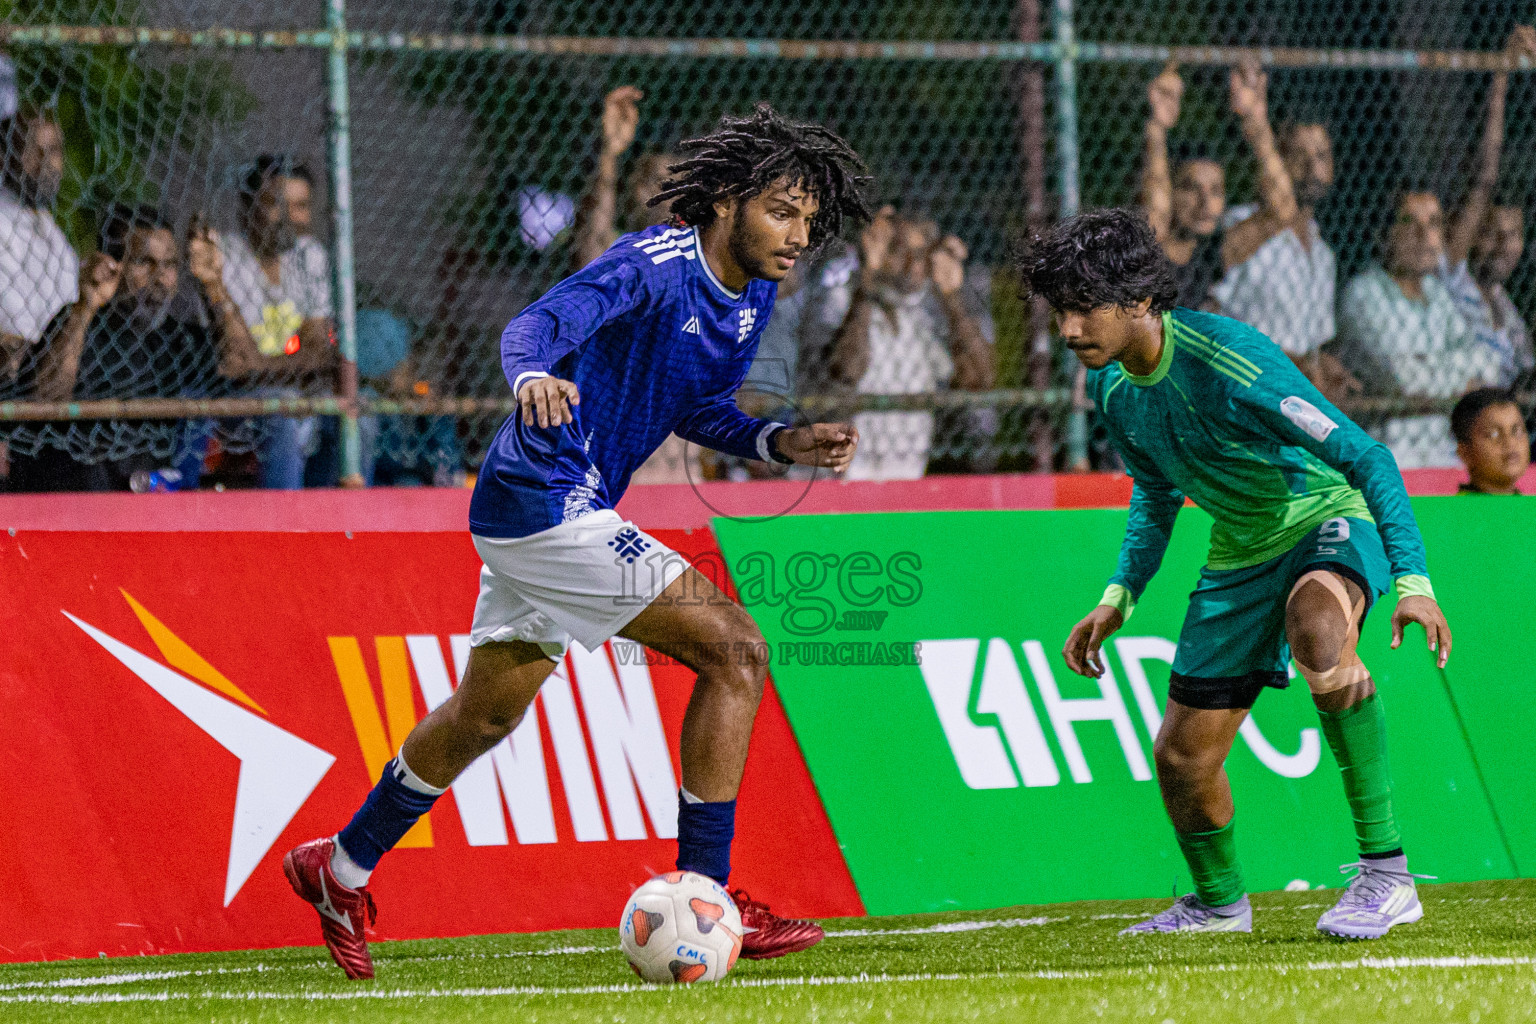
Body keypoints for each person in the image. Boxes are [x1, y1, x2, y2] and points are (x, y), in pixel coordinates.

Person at [282, 104, 872, 980]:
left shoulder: (753, 292)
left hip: (560, 505)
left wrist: (779, 441)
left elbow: (695, 408)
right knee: (738, 653)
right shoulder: (649, 264)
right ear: (723, 201)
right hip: (544, 498)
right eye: (782, 211)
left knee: (485, 714)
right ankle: (709, 893)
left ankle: (337, 867)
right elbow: (533, 329)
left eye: (809, 222)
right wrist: (532, 380)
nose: (798, 236)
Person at [1019, 209, 1451, 939]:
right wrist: (1117, 597)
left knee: (1317, 628)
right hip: (1239, 552)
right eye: (1060, 310)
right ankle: (1219, 906)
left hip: (1323, 515)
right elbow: (1157, 494)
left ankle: (1387, 876)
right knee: (1182, 759)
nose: (1068, 329)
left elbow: (1367, 458)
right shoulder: (1117, 391)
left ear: (1138, 300)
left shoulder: (1231, 361)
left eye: (1083, 307)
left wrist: (1414, 582)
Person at [9, 205, 264, 490]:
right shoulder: (79, 324)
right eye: (145, 262)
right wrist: (86, 305)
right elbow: (45, 400)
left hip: (155, 493)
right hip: (79, 494)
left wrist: (213, 283)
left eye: (169, 265)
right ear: (112, 266)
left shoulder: (178, 338)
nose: (160, 277)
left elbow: (245, 367)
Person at [814, 206, 994, 480]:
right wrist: (868, 277)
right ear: (878, 252)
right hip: (842, 479)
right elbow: (847, 370)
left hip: (907, 477)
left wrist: (952, 297)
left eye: (921, 255)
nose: (912, 265)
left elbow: (980, 379)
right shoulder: (843, 297)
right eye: (899, 251)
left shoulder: (926, 312)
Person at [1336, 191, 1499, 468]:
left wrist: (1425, 368)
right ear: (1384, 235)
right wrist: (1460, 378)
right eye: (1410, 223)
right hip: (1391, 456)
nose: (1424, 234)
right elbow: (1400, 377)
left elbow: (1488, 363)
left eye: (1434, 223)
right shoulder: (1364, 294)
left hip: (1444, 452)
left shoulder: (1438, 294)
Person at [1211, 93, 1353, 400]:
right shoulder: (1242, 226)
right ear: (1279, 162)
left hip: (1296, 405)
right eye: (1298, 155)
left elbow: (1313, 345)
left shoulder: (1322, 253)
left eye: (1321, 156)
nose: (1311, 167)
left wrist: (1324, 366)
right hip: (1240, 393)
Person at [220, 154, 338, 488]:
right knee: (281, 411)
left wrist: (259, 362)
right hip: (233, 399)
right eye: (276, 204)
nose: (290, 218)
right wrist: (285, 366)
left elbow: (320, 351)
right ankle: (289, 531)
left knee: (364, 414)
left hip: (300, 389)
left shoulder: (310, 256)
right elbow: (235, 365)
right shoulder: (226, 255)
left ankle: (332, 522)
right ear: (247, 207)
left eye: (301, 206)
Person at [1437, 28, 1536, 389]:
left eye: (1512, 235)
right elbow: (1484, 178)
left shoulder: (1509, 312)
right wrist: (1500, 75)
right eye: (1491, 232)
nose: (1502, 244)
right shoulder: (1452, 279)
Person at [0, 107, 77, 382]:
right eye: (33, 149)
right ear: (3, 157)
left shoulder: (54, 234)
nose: (47, 161)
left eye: (54, 150)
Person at [571, 86, 677, 271]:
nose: (661, 194)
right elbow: (591, 257)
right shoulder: (623, 248)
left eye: (674, 185)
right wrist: (609, 154)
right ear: (633, 186)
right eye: (653, 181)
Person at [1451, 388, 1529, 496]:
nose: (1510, 443)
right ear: (1465, 453)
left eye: (1518, 431)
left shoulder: (1528, 507)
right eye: (1493, 435)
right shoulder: (1458, 510)